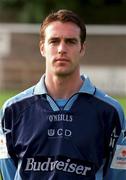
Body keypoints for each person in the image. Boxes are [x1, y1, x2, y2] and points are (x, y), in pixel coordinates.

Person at [0, 9, 126, 180]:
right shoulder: (12, 110)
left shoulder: (110, 111)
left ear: (82, 48)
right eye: (54, 41)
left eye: (70, 41)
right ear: (42, 48)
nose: (61, 49)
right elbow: (9, 172)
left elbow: (117, 174)